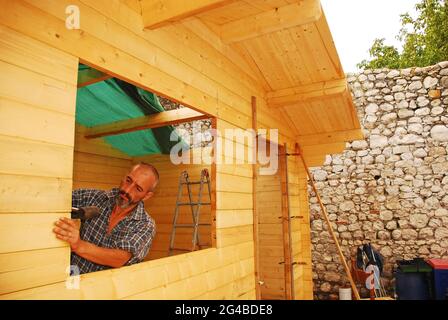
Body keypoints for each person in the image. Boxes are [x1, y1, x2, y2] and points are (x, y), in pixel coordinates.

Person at [53, 162, 158, 274]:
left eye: (138, 188)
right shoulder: (95, 198)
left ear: (147, 196)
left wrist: (78, 245)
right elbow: (60, 198)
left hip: (105, 289)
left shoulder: (145, 225)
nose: (127, 190)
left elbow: (119, 259)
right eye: (128, 180)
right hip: (72, 279)